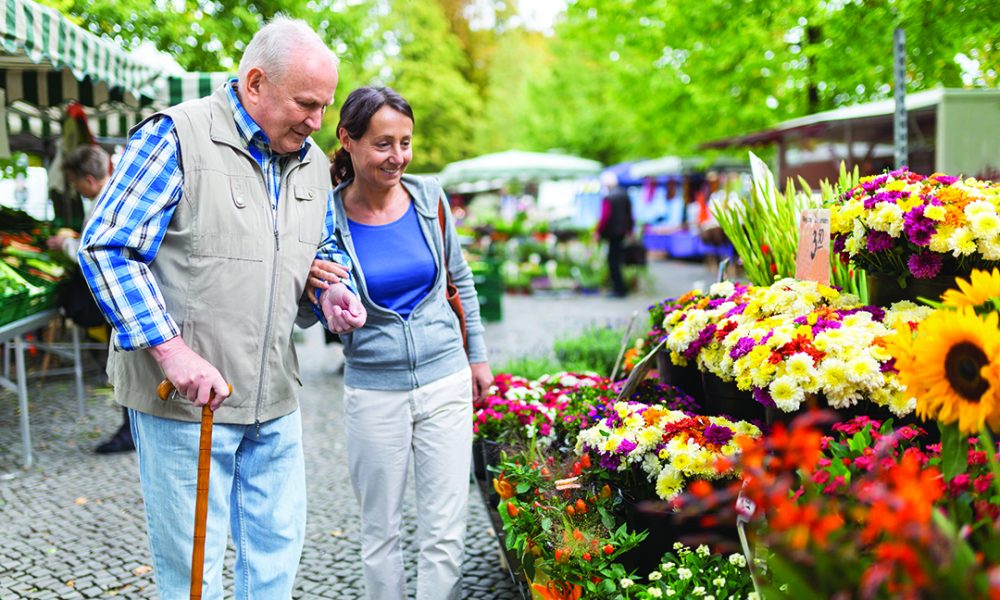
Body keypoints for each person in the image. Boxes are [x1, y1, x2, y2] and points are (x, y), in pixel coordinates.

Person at [78, 17, 365, 598]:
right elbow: (107, 247)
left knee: (276, 558)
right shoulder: (174, 136)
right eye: (306, 104)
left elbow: (322, 245)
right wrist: (171, 350)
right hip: (187, 404)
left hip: (276, 395)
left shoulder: (309, 161)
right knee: (193, 574)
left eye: (324, 106)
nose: (317, 123)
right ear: (255, 83)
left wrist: (328, 289)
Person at [308, 86, 493, 600]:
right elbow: (303, 310)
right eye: (384, 144)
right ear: (347, 139)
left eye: (405, 143)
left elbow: (461, 279)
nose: (398, 157)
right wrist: (320, 295)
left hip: (447, 381)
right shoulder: (325, 216)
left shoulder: (429, 197)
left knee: (445, 527)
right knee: (380, 531)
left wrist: (476, 355)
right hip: (373, 390)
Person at [47, 145, 134, 454]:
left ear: (87, 179)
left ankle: (131, 432)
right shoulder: (113, 195)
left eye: (74, 183)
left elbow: (94, 253)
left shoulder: (104, 203)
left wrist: (67, 244)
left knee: (128, 368)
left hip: (119, 302)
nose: (75, 189)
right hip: (122, 300)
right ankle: (132, 430)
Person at [596, 173, 635, 297]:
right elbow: (630, 215)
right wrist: (630, 230)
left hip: (612, 233)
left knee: (613, 261)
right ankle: (620, 287)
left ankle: (618, 288)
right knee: (618, 260)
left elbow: (604, 217)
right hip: (622, 232)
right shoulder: (624, 195)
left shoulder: (608, 197)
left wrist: (598, 232)